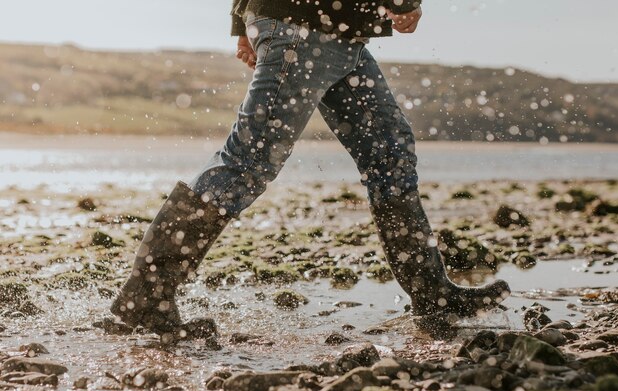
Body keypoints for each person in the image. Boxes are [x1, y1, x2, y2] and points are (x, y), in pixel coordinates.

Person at [110, 0, 511, 343]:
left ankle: (431, 294)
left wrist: (244, 19)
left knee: (391, 153)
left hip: (332, 32)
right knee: (247, 163)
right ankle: (147, 293)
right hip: (306, 27)